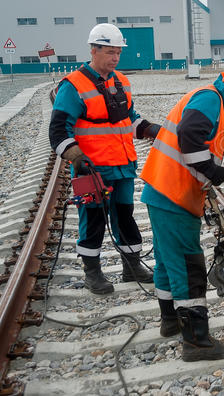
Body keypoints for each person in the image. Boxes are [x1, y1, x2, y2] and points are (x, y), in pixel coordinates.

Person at [140, 66, 224, 361]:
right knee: (188, 265)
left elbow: (192, 144)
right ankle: (196, 342)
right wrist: (211, 170)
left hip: (164, 192)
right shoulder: (210, 99)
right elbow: (190, 138)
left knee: (168, 263)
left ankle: (170, 321)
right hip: (174, 196)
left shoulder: (210, 100)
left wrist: (206, 182)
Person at [49, 23, 157, 295]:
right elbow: (59, 129)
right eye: (110, 52)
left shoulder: (121, 81)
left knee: (125, 216)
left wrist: (152, 129)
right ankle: (93, 273)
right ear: (93, 50)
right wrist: (75, 156)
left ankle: (131, 267)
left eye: (118, 52)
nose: (115, 58)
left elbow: (129, 119)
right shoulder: (73, 85)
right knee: (93, 218)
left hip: (122, 166)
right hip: (91, 169)